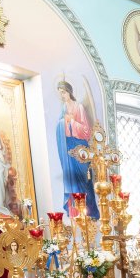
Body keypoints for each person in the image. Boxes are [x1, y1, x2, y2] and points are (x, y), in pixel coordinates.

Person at [55, 80, 96, 218]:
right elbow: (59, 126)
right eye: (60, 93)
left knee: (84, 179)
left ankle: (89, 213)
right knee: (72, 179)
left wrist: (71, 121)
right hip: (69, 149)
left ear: (69, 92)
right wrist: (64, 121)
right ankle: (77, 213)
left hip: (80, 148)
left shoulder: (79, 107)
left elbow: (86, 131)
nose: (62, 95)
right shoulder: (63, 109)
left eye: (63, 92)